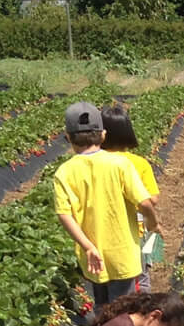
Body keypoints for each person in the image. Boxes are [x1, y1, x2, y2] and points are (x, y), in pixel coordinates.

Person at [53, 101, 161, 313]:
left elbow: (64, 215)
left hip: (93, 257)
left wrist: (88, 247)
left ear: (68, 137)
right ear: (103, 135)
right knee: (125, 311)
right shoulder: (121, 165)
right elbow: (145, 202)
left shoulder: (64, 172)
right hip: (124, 256)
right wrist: (153, 223)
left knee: (103, 308)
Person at [101, 103, 161, 289]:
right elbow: (152, 199)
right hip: (136, 228)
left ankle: (107, 316)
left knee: (105, 280)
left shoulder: (94, 162)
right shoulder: (139, 163)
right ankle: (139, 314)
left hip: (102, 229)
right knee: (140, 278)